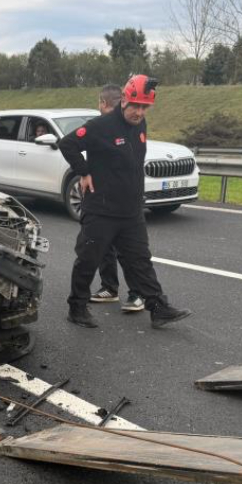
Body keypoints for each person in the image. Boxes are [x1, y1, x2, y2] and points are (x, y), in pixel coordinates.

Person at [58, 75, 192, 329]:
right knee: (88, 259)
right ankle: (77, 307)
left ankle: (158, 307)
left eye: (145, 107)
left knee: (140, 261)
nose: (139, 112)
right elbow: (68, 144)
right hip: (101, 209)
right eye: (136, 106)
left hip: (131, 211)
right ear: (124, 100)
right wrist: (83, 172)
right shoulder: (100, 126)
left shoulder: (140, 125)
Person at [88, 84, 144, 313]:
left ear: (103, 103)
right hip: (105, 199)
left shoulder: (128, 125)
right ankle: (111, 288)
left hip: (122, 200)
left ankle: (136, 293)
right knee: (106, 244)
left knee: (127, 249)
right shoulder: (100, 126)